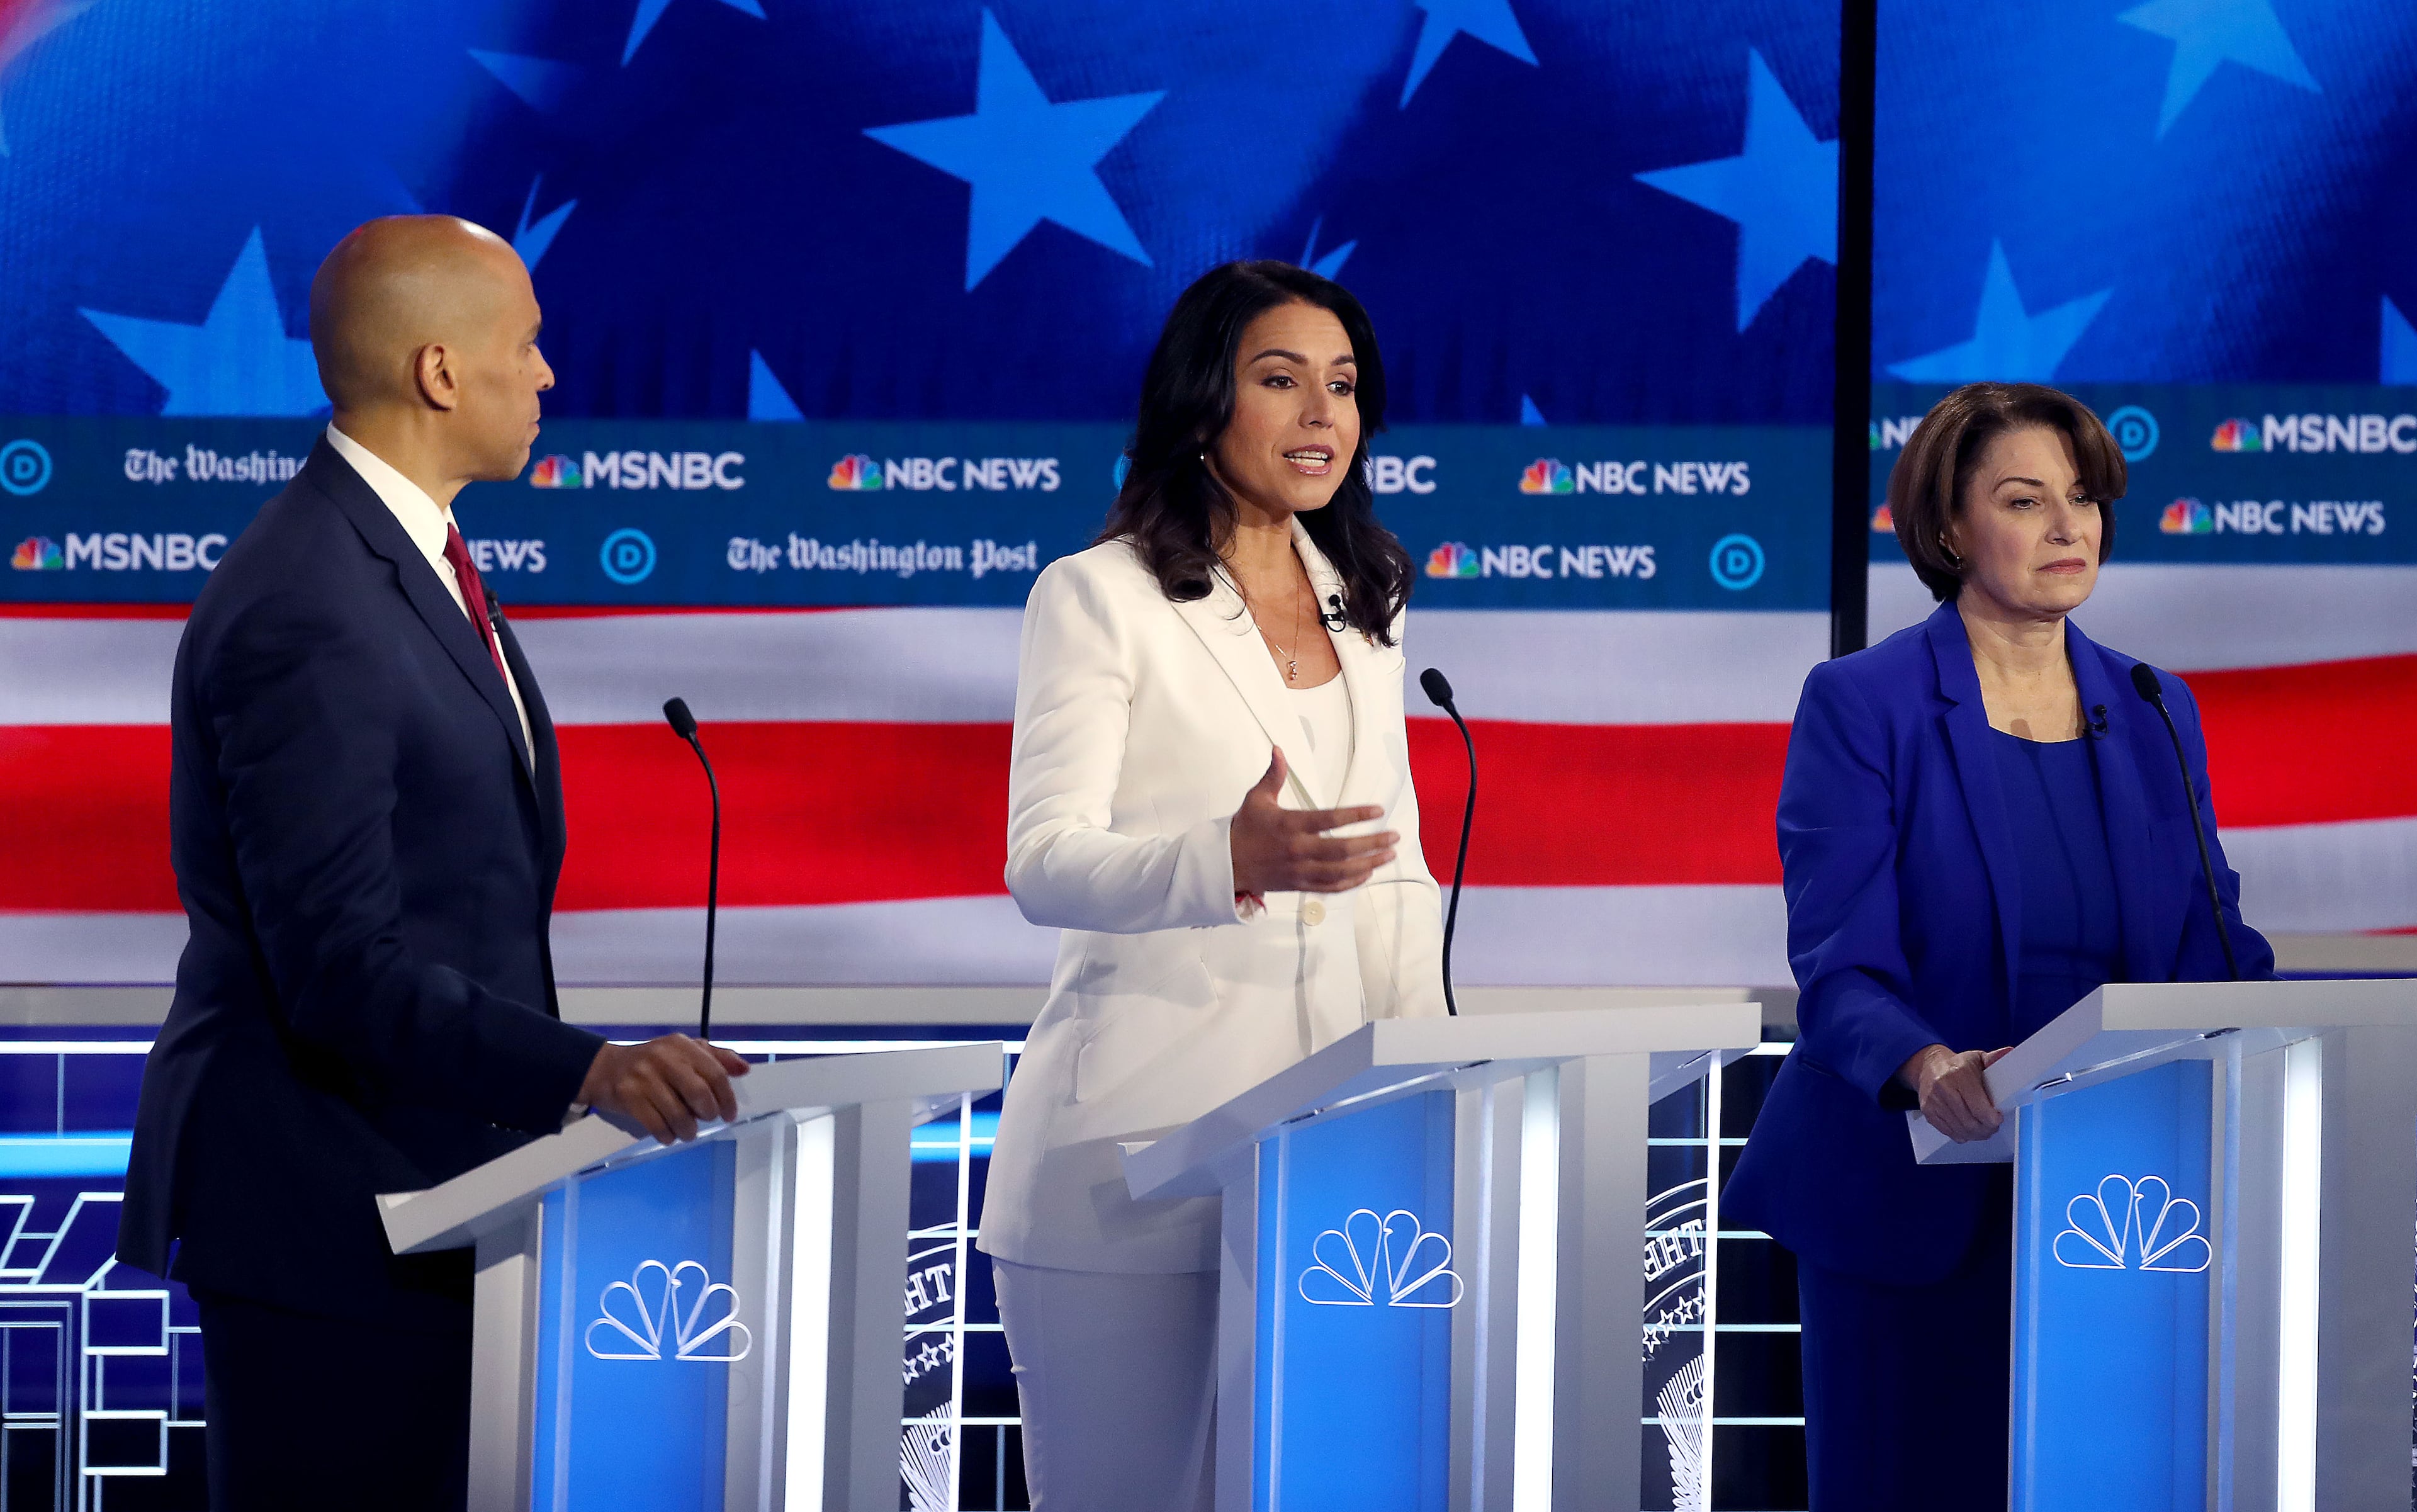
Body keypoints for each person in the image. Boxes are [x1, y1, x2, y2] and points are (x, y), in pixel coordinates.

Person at [117, 216, 748, 1512]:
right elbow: (338, 964)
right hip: (328, 1217)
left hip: (435, 1199)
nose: (549, 375)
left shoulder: (409, 562)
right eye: (527, 344)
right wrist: (587, 1066)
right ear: (440, 371)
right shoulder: (312, 594)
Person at [1722, 381, 2273, 1509]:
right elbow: (1840, 961)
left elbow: (2210, 941)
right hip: (1911, 1203)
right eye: (2026, 500)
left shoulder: (2158, 706)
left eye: (2083, 498)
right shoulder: (1861, 702)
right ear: (1946, 529)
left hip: (2120, 1204)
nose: (2070, 527)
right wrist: (1927, 1066)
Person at [978, 261, 1446, 1509]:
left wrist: (1441, 1089)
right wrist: (1223, 861)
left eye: (1342, 386)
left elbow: (1394, 872)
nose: (1320, 416)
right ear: (1201, 406)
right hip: (1129, 1159)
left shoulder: (1369, 606)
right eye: (1280, 380)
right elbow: (1043, 860)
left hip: (1326, 1173)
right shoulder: (1098, 597)